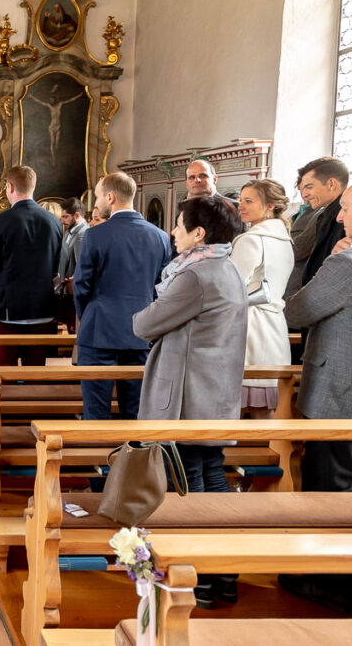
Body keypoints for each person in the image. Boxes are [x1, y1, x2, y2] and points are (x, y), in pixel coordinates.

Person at [132, 195, 246, 610]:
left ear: (199, 233)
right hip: (214, 392)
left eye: (179, 226)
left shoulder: (195, 275)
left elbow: (145, 324)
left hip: (188, 397)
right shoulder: (227, 267)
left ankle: (198, 577)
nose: (173, 232)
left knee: (190, 488)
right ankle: (225, 575)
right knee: (212, 477)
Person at [280, 179, 352, 613]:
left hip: (343, 393)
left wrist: (328, 264)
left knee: (333, 491)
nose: (339, 217)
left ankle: (329, 581)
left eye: (346, 208)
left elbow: (297, 311)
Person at [73, 172, 171, 421]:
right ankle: (134, 459)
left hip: (98, 332)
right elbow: (162, 289)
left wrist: (89, 316)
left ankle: (95, 457)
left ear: (110, 197)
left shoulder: (95, 235)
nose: (96, 201)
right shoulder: (160, 237)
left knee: (96, 411)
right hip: (141, 334)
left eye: (97, 196)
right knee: (135, 411)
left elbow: (82, 286)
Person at [0, 165, 62, 366]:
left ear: (10, 187)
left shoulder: (1, 222)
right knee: (35, 372)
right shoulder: (54, 221)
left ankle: (6, 398)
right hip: (42, 309)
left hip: (6, 310)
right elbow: (56, 267)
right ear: (33, 187)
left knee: (4, 372)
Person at [230, 179, 294, 419]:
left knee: (234, 409)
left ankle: (227, 457)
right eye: (240, 201)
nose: (241, 206)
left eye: (249, 201)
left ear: (269, 206)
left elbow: (230, 288)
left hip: (251, 326)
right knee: (265, 410)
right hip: (275, 325)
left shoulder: (251, 240)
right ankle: (266, 457)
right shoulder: (285, 240)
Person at [298, 156, 349, 286]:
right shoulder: (325, 214)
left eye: (309, 187)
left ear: (331, 184)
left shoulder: (349, 217)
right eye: (303, 188)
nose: (304, 195)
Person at [57, 197, 88, 283]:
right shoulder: (68, 230)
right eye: (62, 217)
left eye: (65, 217)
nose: (62, 221)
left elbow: (82, 269)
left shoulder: (83, 234)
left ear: (77, 215)